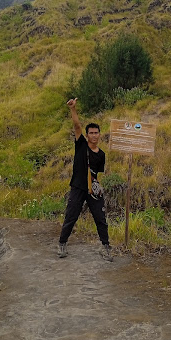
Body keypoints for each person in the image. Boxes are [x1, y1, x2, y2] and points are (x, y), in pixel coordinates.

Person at [58, 98, 113, 262]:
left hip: (92, 190)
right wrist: (73, 109)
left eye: (96, 133)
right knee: (71, 216)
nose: (94, 135)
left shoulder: (102, 154)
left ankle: (105, 247)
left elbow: (98, 174)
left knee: (101, 219)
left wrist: (96, 187)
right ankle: (62, 243)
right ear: (87, 135)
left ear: (99, 134)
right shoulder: (81, 145)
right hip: (77, 187)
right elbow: (77, 126)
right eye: (91, 133)